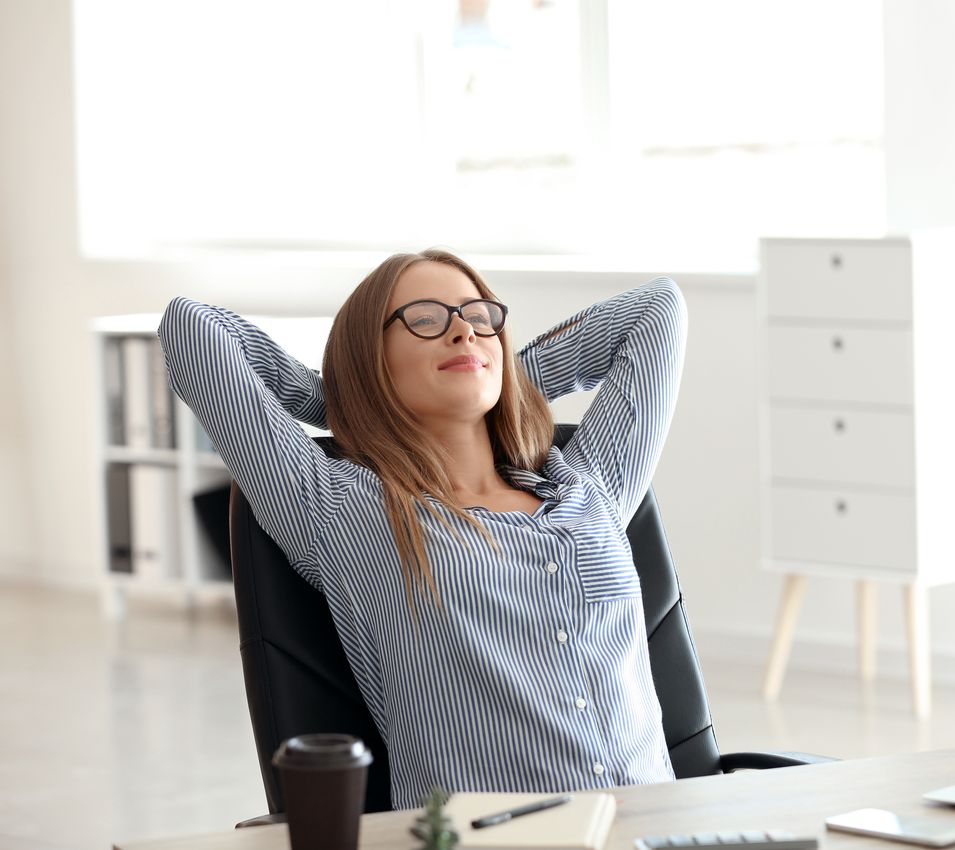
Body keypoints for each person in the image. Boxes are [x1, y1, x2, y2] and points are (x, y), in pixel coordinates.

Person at [158, 249, 687, 808]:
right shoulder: (344, 509)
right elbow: (192, 329)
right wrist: (346, 397)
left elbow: (656, 310)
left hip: (651, 825)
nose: (463, 332)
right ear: (371, 360)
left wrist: (502, 373)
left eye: (479, 318)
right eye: (426, 320)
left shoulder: (590, 485)